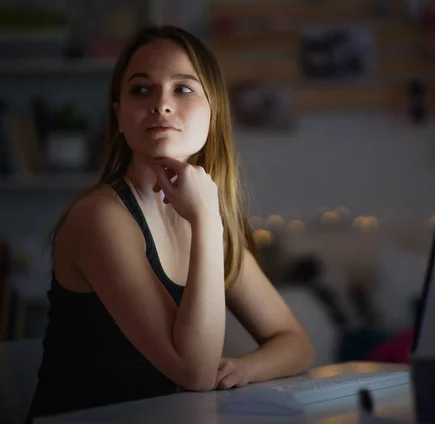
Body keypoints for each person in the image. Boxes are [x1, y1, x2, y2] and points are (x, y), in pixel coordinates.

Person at [27, 25, 315, 421]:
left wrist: (244, 368)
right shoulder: (101, 218)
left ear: (214, 111)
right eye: (141, 90)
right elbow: (194, 372)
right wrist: (206, 221)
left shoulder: (209, 217)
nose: (161, 104)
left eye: (183, 89)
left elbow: (296, 343)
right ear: (120, 116)